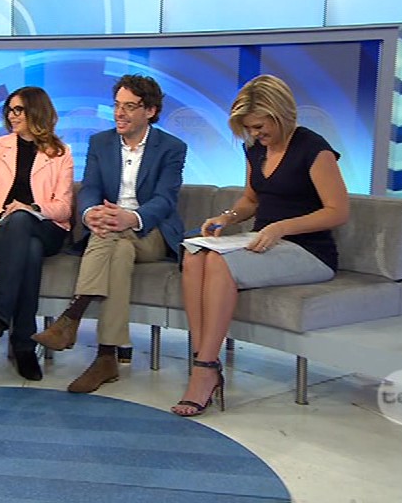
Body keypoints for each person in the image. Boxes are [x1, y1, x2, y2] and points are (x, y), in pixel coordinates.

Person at [172, 74, 348, 417]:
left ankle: (205, 370)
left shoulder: (314, 149)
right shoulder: (255, 148)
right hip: (263, 241)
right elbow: (252, 200)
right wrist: (227, 217)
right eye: (249, 129)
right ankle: (201, 358)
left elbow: (338, 211)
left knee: (219, 263)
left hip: (309, 251)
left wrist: (283, 227)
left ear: (280, 115)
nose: (254, 134)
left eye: (259, 126)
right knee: (194, 254)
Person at [32, 74, 187, 394]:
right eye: (117, 105)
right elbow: (90, 188)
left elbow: (165, 199)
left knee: (115, 236)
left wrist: (131, 217)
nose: (119, 113)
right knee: (117, 249)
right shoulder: (100, 142)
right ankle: (106, 356)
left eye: (129, 106)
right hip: (111, 230)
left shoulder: (172, 147)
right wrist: (91, 213)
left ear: (150, 111)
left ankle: (72, 317)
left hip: (150, 231)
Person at [0, 86, 74, 381]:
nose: (11, 116)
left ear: (36, 112)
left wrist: (32, 209)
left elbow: (64, 207)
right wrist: (2, 215)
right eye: (9, 110)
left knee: (24, 223)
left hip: (46, 227)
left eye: (19, 110)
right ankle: (23, 343)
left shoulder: (61, 153)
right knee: (28, 246)